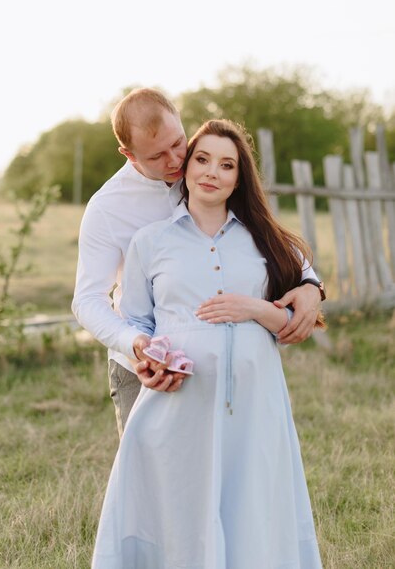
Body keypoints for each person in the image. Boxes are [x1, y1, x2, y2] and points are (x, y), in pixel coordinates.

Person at [91, 119, 323, 568]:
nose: (211, 172)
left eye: (226, 164)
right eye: (202, 159)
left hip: (256, 402)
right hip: (181, 401)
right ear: (188, 166)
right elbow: (136, 318)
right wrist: (145, 354)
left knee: (251, 507)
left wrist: (254, 309)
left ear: (240, 178)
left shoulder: (267, 241)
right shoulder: (150, 241)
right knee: (181, 510)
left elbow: (298, 320)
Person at [72, 89, 324, 440]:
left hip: (223, 361)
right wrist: (136, 345)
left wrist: (312, 286)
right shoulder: (107, 209)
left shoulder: (204, 168)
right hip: (144, 364)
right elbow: (87, 299)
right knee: (150, 479)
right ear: (128, 155)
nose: (175, 159)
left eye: (178, 142)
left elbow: (263, 229)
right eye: (157, 156)